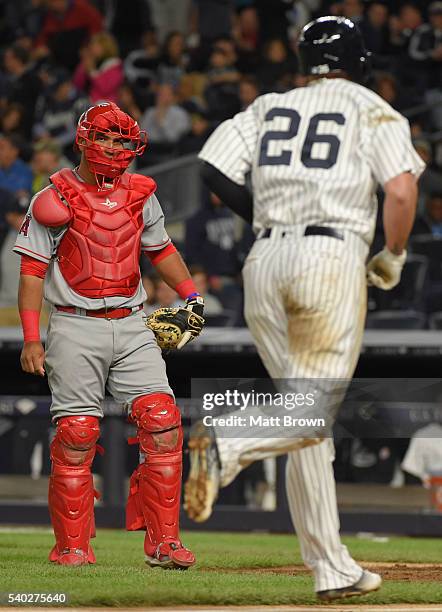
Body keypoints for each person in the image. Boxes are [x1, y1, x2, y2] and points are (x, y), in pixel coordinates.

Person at [184, 16, 424, 601]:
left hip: (264, 263)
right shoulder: (372, 108)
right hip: (330, 258)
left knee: (303, 422)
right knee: (311, 414)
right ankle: (228, 442)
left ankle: (331, 567)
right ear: (359, 61)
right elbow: (400, 189)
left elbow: (210, 166)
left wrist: (267, 219)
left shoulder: (269, 105)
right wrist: (392, 252)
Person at [13, 102, 205, 568]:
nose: (115, 149)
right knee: (77, 432)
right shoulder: (53, 196)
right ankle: (72, 547)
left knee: (162, 421)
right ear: (83, 139)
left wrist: (190, 297)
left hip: (133, 320)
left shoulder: (142, 193)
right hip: (74, 323)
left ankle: (164, 544)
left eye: (122, 141)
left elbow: (161, 250)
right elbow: (31, 271)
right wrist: (32, 337)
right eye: (106, 138)